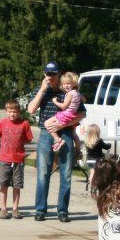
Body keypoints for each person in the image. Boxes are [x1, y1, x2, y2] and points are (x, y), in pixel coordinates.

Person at [29, 62, 82, 222]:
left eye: (53, 74)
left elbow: (82, 114)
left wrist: (63, 124)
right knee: (43, 174)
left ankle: (62, 210)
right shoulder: (42, 90)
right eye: (48, 74)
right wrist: (42, 90)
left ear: (59, 74)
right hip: (46, 134)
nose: (50, 77)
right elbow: (31, 110)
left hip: (65, 133)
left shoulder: (68, 89)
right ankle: (40, 210)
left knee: (66, 174)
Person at [0, 100, 32, 219]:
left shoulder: (24, 123)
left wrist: (18, 144)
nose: (12, 114)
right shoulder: (2, 123)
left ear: (19, 112)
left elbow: (28, 138)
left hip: (18, 160)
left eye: (15, 111)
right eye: (10, 111)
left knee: (17, 185)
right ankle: (3, 209)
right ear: (6, 111)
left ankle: (15, 209)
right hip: (5, 159)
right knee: (3, 184)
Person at [48, 71, 82, 151]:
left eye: (68, 83)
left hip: (67, 114)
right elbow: (84, 99)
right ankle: (78, 150)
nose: (65, 86)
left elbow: (63, 106)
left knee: (47, 124)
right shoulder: (77, 93)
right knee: (74, 134)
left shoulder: (70, 94)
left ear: (73, 83)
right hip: (73, 114)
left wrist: (55, 101)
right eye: (64, 84)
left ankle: (57, 140)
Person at [83, 124, 111, 191]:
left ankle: (90, 186)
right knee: (98, 173)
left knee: (92, 172)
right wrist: (109, 144)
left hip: (89, 160)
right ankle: (95, 186)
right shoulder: (99, 141)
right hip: (97, 159)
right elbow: (106, 147)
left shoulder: (87, 141)